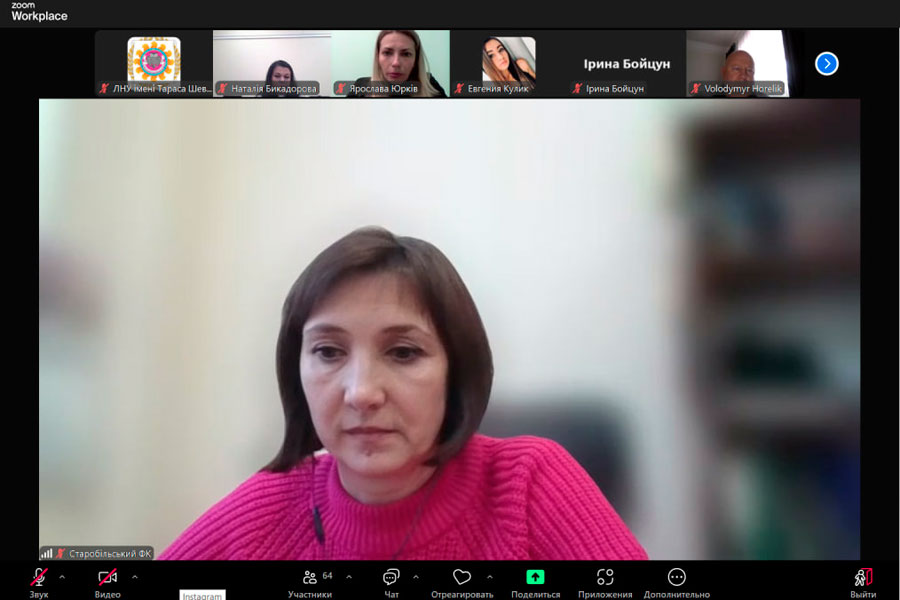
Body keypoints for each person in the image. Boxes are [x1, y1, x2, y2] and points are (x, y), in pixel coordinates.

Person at [159, 227, 648, 560]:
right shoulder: (264, 512)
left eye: (403, 353)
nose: (361, 393)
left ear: (456, 369)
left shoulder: (528, 486)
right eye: (328, 352)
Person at [345, 30, 446, 98]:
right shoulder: (361, 87)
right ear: (378, 57)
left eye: (406, 54)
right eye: (387, 53)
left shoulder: (430, 85)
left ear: (416, 59)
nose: (396, 63)